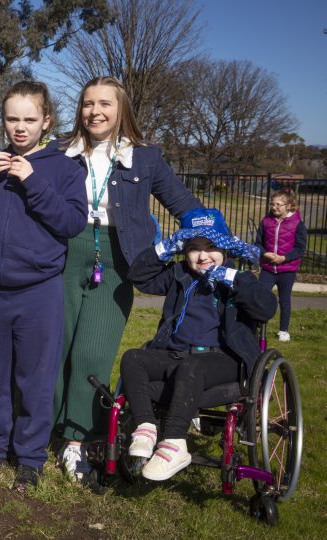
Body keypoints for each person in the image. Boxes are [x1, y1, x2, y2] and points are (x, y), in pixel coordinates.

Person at [53, 76, 202, 481]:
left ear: (122, 110)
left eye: (104, 103)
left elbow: (187, 206)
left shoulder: (146, 158)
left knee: (93, 353)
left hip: (119, 263)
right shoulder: (57, 153)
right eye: (87, 103)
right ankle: (42, 425)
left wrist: (210, 241)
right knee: (56, 347)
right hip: (64, 255)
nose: (94, 111)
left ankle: (77, 441)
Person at [0, 80, 87, 492]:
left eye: (30, 119)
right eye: (12, 118)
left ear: (47, 121)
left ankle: (29, 458)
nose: (20, 127)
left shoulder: (64, 168)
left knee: (35, 376)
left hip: (38, 290)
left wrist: (33, 182)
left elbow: (71, 223)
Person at [120, 208, 276, 481]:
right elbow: (139, 276)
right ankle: (145, 427)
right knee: (132, 357)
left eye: (211, 247)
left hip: (224, 360)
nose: (203, 256)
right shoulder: (180, 274)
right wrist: (165, 248)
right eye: (193, 248)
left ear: (226, 247)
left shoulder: (240, 279)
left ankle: (175, 443)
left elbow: (266, 308)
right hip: (175, 355)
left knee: (192, 366)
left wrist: (231, 278)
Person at [255, 188, 308, 342]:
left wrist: (284, 258)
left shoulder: (297, 224)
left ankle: (283, 330)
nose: (274, 207)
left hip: (287, 270)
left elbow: (300, 248)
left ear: (289, 206)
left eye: (279, 204)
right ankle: (257, 326)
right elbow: (258, 243)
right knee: (260, 297)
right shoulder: (266, 221)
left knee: (284, 300)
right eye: (272, 204)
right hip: (268, 269)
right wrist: (264, 253)